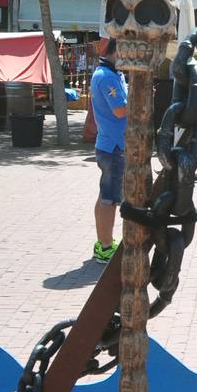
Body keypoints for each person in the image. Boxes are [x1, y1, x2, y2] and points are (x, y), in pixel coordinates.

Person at [89, 38, 127, 263]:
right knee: (109, 199)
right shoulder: (106, 77)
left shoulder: (112, 74)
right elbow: (121, 111)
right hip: (113, 146)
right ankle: (104, 247)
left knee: (105, 195)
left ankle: (102, 242)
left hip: (111, 144)